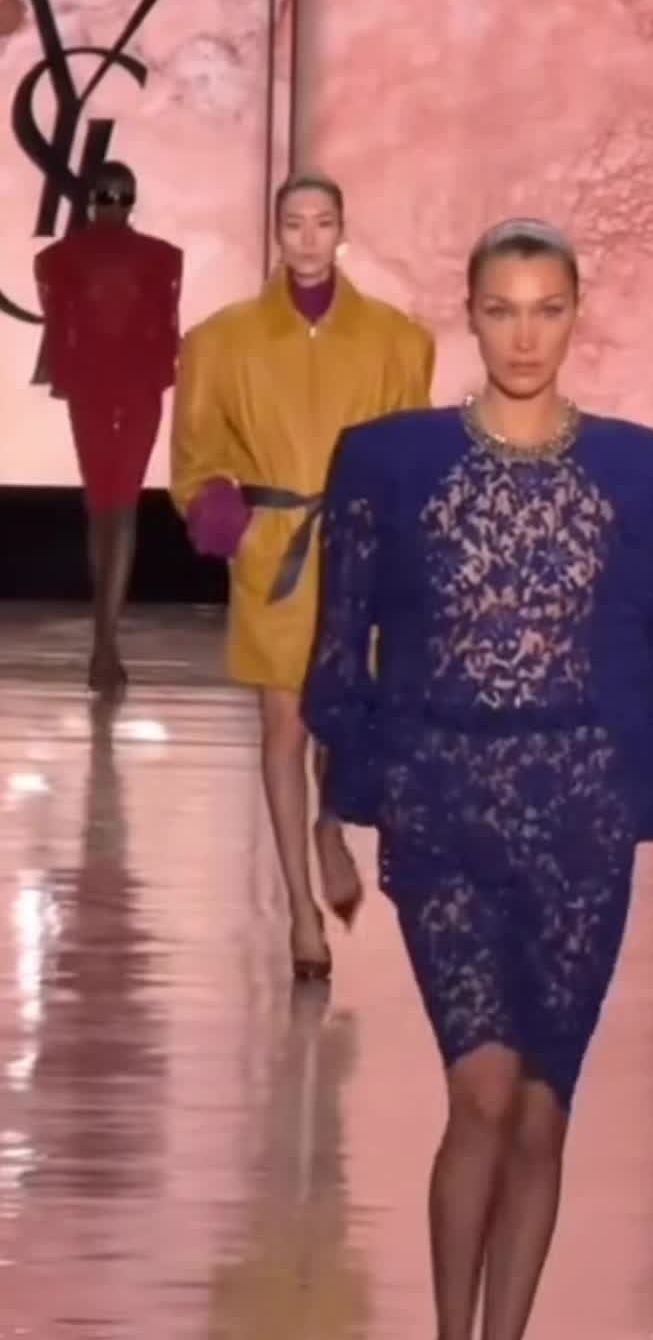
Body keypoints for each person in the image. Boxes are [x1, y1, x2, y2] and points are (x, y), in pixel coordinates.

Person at [302, 218, 653, 1340]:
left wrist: (636, 783)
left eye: (547, 308)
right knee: (480, 1093)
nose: (525, 333)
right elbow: (341, 647)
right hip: (444, 809)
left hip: (577, 823)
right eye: (502, 308)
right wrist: (343, 803)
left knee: (542, 1113)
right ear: (470, 313)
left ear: (577, 312)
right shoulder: (392, 463)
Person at [171, 172, 434, 980]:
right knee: (283, 726)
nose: (309, 238)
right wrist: (228, 518)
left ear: (342, 233)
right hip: (275, 554)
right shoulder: (221, 342)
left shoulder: (397, 341)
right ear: (276, 232)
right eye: (295, 223)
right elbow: (195, 454)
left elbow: (409, 457)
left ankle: (329, 826)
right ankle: (299, 912)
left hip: (357, 554)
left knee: (342, 722)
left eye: (323, 223)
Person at [35, 162, 183, 698]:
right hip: (136, 393)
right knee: (121, 511)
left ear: (92, 199)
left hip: (94, 393)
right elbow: (168, 334)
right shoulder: (165, 258)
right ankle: (105, 646)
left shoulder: (56, 259)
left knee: (103, 510)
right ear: (128, 199)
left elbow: (59, 330)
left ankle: (104, 647)